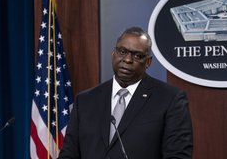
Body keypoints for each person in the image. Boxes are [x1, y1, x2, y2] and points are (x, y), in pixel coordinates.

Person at [58, 26, 193, 159]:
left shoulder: (170, 99)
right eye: (122, 51)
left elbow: (178, 156)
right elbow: (69, 154)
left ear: (148, 62)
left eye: (137, 55)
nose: (128, 59)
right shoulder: (85, 100)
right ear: (113, 54)